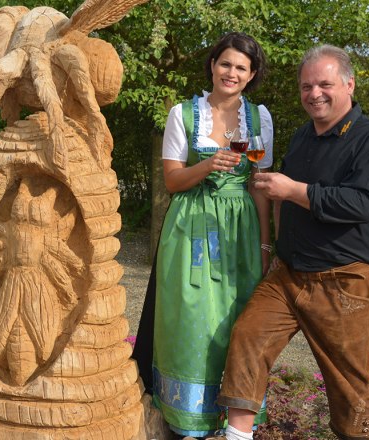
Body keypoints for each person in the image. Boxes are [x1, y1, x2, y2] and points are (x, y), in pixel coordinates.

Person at [216, 45, 369, 440]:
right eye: (306, 86)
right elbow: (283, 199)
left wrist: (293, 189)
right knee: (248, 338)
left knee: (349, 386)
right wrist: (272, 238)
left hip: (345, 281)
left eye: (324, 84)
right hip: (288, 274)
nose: (314, 93)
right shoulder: (303, 136)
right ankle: (237, 436)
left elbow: (363, 204)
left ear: (349, 85)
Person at [132, 32, 273, 438]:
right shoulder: (183, 114)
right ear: (212, 65)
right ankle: (186, 421)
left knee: (237, 321)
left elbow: (259, 184)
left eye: (241, 68)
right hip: (191, 227)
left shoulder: (258, 119)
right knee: (190, 317)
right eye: (225, 63)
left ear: (251, 75)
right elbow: (173, 181)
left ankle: (235, 421)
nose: (231, 73)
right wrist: (208, 165)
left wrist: (266, 244)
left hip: (240, 232)